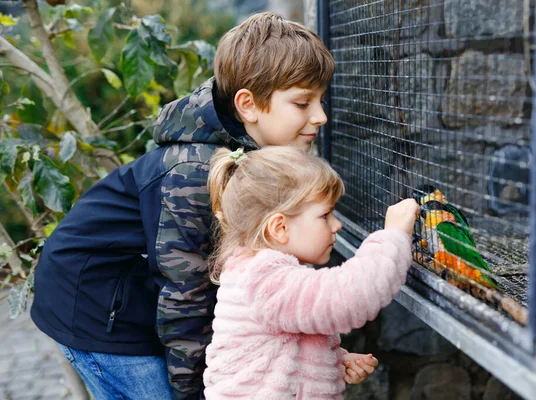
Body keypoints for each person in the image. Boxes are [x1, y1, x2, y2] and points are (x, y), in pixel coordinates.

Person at [30, 12, 334, 400]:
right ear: (248, 104)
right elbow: (187, 294)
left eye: (320, 100)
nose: (320, 116)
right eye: (303, 103)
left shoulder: (244, 149)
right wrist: (195, 392)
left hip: (140, 300)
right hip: (96, 308)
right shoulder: (194, 172)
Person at [203, 146, 418, 399]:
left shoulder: (257, 271)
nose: (336, 225)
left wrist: (334, 360)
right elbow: (348, 296)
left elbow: (282, 349)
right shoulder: (265, 279)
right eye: (325, 215)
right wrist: (394, 236)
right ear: (280, 227)